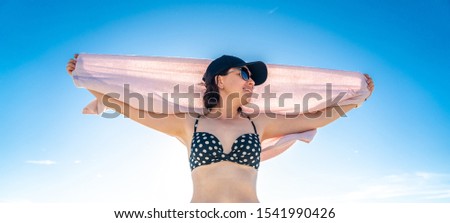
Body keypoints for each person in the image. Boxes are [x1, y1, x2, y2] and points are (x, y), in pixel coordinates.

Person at [66, 54, 375, 203]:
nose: (251, 80)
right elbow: (130, 107)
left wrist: (357, 98)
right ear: (219, 79)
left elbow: (319, 116)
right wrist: (87, 79)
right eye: (243, 73)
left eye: (252, 76)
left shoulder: (258, 123)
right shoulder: (190, 122)